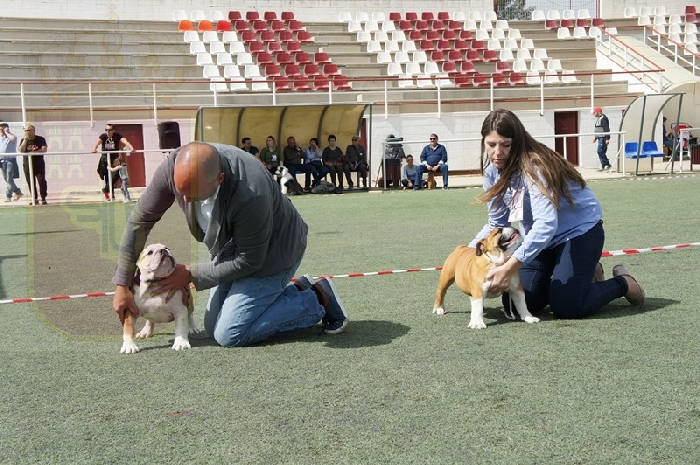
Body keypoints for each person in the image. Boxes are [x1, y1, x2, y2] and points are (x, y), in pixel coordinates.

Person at [111, 142, 348, 347]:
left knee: (231, 333)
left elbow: (250, 259)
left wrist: (191, 273)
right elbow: (139, 221)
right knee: (213, 326)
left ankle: (317, 298)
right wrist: (122, 283)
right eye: (180, 191)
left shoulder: (251, 190)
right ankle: (299, 289)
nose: (185, 200)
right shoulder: (175, 167)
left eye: (193, 194)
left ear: (220, 179)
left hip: (274, 252)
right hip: (230, 251)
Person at [469, 109, 644, 323]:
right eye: (491, 144)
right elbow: (497, 223)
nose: (498, 152)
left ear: (518, 142)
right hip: (541, 241)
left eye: (506, 145)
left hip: (578, 232)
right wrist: (467, 253)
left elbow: (546, 223)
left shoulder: (535, 166)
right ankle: (584, 276)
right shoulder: (491, 173)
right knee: (515, 305)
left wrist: (508, 267)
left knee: (567, 305)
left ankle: (623, 283)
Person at [92, 124, 134, 201]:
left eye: (109, 130)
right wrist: (94, 148)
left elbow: (124, 141)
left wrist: (131, 147)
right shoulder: (103, 136)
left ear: (113, 130)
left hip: (115, 158)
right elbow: (97, 142)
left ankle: (106, 189)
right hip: (105, 158)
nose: (107, 131)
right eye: (106, 130)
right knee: (107, 176)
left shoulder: (117, 135)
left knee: (116, 174)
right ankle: (111, 193)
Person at [18, 124, 48, 205]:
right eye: (25, 130)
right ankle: (34, 198)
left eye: (28, 130)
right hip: (27, 164)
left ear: (33, 131)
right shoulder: (23, 140)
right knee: (30, 182)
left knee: (41, 180)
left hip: (39, 164)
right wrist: (25, 140)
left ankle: (43, 197)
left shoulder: (41, 139)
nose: (26, 132)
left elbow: (44, 149)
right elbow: (21, 150)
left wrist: (33, 152)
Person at [0, 122, 23, 202]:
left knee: (9, 178)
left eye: (3, 128)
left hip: (10, 160)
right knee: (6, 179)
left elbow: (13, 139)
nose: (1, 130)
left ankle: (8, 196)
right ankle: (18, 192)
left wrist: (6, 132)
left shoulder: (11, 137)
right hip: (1, 160)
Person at [592, 107, 611, 171]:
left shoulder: (603, 119)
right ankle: (603, 165)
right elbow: (598, 129)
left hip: (603, 137)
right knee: (601, 151)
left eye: (595, 112)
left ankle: (607, 164)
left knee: (600, 151)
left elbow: (606, 129)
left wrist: (607, 138)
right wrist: (595, 137)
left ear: (598, 112)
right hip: (600, 137)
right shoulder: (599, 119)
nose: (594, 114)